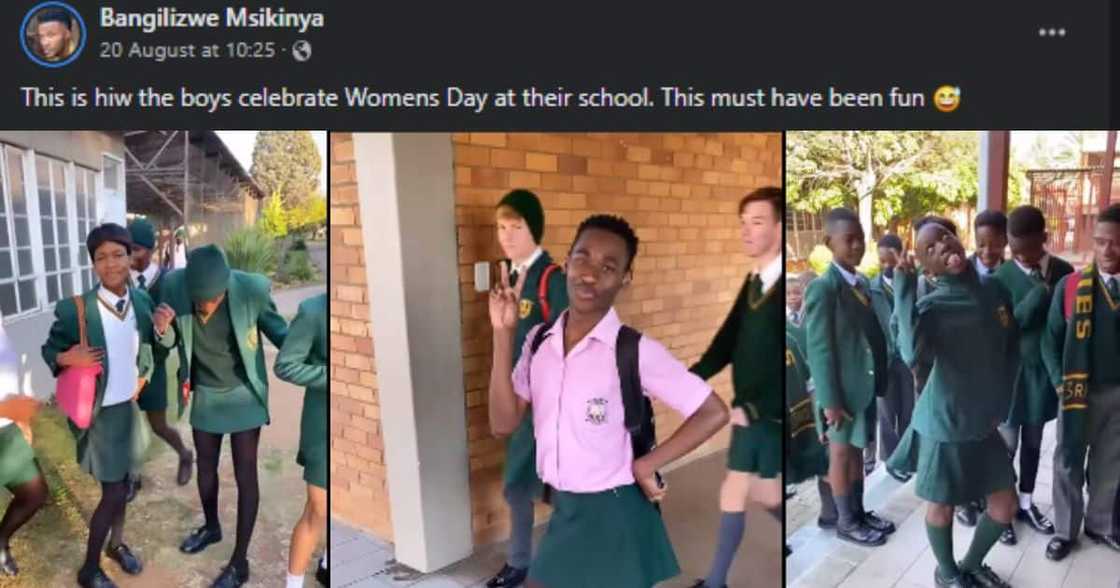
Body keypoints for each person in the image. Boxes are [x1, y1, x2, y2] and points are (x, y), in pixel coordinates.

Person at [488, 214, 729, 588]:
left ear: (624, 279)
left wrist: (646, 465)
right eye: (582, 258)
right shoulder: (538, 342)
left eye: (608, 266)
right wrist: (502, 335)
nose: (589, 274)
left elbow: (712, 412)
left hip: (614, 510)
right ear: (566, 263)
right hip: (565, 507)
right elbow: (502, 423)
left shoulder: (634, 350)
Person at [887, 219, 1019, 588]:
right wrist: (903, 288)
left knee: (1004, 504)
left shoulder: (995, 289)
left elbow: (1011, 349)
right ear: (928, 269)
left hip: (985, 419)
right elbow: (911, 352)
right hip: (944, 422)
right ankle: (946, 573)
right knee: (942, 505)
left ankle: (972, 564)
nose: (942, 246)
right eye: (930, 249)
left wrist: (1002, 405)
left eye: (944, 238)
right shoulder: (931, 306)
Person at [157, 244, 288, 587]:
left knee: (246, 472)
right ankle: (212, 527)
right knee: (206, 468)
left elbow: (281, 334)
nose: (207, 306)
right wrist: (162, 329)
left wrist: (312, 347)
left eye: (214, 298)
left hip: (244, 393)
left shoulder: (251, 289)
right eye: (200, 300)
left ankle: (239, 562)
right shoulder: (172, 286)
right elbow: (168, 343)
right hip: (206, 394)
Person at [43, 224, 156, 587]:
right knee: (112, 492)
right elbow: (50, 350)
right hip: (100, 415)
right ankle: (89, 568)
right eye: (101, 257)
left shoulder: (141, 302)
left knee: (124, 485)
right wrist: (65, 356)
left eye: (118, 254)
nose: (111, 264)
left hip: (128, 411)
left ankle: (116, 545)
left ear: (131, 256)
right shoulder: (76, 309)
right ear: (93, 264)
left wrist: (147, 367)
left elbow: (150, 347)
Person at [686, 187, 783, 588]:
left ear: (779, 228)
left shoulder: (782, 289)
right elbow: (726, 342)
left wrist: (758, 409)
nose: (745, 231)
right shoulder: (754, 283)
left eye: (756, 222)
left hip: (768, 417)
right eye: (742, 223)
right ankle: (716, 583)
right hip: (749, 412)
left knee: (764, 495)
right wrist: (686, 379)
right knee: (736, 491)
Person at [485, 189, 568, 588]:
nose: (507, 235)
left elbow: (573, 339)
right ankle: (523, 562)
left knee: (535, 485)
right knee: (521, 485)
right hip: (515, 401)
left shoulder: (551, 279)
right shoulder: (510, 276)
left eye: (516, 227)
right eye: (501, 227)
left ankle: (529, 563)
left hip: (545, 404)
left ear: (533, 228)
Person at [804, 208, 893, 547]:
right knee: (841, 455)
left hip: (861, 388)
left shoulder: (858, 283)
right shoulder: (824, 289)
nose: (856, 245)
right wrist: (829, 402)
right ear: (829, 243)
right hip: (839, 396)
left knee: (857, 453)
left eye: (860, 239)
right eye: (848, 239)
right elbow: (820, 350)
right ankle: (844, 521)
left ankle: (858, 512)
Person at [988, 206, 1073, 546]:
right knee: (1006, 447)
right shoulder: (999, 279)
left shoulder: (1064, 273)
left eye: (1027, 250)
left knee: (1034, 445)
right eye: (1014, 250)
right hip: (1010, 378)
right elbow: (1005, 328)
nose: (1020, 256)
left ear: (1044, 239)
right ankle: (1002, 510)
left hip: (1043, 377)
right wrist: (1039, 294)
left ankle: (1025, 503)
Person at [1040, 203, 1120, 561]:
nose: (1106, 251)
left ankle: (1101, 524)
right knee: (1068, 459)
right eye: (1101, 242)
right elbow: (1049, 341)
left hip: (1118, 395)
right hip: (1077, 392)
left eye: (1116, 243)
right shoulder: (1071, 286)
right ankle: (1064, 530)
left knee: (1111, 463)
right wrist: (1060, 382)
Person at [126, 219, 193, 501]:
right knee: (126, 425)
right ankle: (132, 476)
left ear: (151, 250)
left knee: (158, 425)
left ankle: (185, 454)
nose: (130, 256)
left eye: (136, 250)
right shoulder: (120, 279)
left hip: (155, 366)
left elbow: (178, 330)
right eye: (126, 249)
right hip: (124, 366)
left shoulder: (168, 280)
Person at [275, 294, 327, 588]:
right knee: (319, 507)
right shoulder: (313, 310)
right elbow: (285, 365)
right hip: (323, 421)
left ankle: (329, 562)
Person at [0, 317, 47, 578]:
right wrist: (6, 409)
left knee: (34, 493)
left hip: (7, 431)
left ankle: (1, 541)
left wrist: (22, 418)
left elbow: (10, 366)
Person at [869, 234, 915, 483]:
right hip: (884, 360)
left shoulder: (911, 282)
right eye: (881, 260)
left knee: (909, 410)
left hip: (907, 358)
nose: (886, 265)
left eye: (890, 260)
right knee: (887, 414)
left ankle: (907, 455)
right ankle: (890, 461)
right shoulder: (871, 287)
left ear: (900, 255)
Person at [972, 210, 1008, 278]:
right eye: (981, 245)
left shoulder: (1011, 274)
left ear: (1006, 241)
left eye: (994, 245)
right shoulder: (962, 272)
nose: (987, 252)